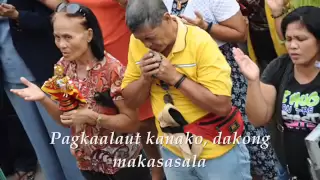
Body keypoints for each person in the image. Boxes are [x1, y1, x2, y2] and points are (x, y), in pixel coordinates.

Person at [10, 3, 152, 180]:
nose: (61, 44)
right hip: (88, 163)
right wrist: (43, 99)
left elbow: (131, 123)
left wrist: (93, 118)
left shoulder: (112, 70)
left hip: (123, 165)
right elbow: (67, 120)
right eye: (57, 37)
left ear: (89, 35)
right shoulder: (63, 68)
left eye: (68, 37)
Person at [121, 0, 252, 179]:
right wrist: (145, 79)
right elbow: (129, 101)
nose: (147, 45)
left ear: (167, 18)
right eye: (141, 40)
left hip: (216, 151)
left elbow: (222, 105)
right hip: (173, 151)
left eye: (150, 37)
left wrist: (175, 78)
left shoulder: (199, 41)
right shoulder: (138, 42)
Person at [164, 0, 282, 179]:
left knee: (248, 130)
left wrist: (205, 26)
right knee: (210, 132)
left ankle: (270, 175)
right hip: (187, 75)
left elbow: (240, 33)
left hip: (223, 69)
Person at [233, 6, 320, 180]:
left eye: (301, 39)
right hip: (290, 170)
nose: (293, 46)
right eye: (288, 39)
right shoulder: (279, 67)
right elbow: (259, 118)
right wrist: (253, 81)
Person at [0, 0, 83, 179]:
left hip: (47, 70)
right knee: (40, 144)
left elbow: (54, 21)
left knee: (66, 139)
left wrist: (17, 16)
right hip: (10, 78)